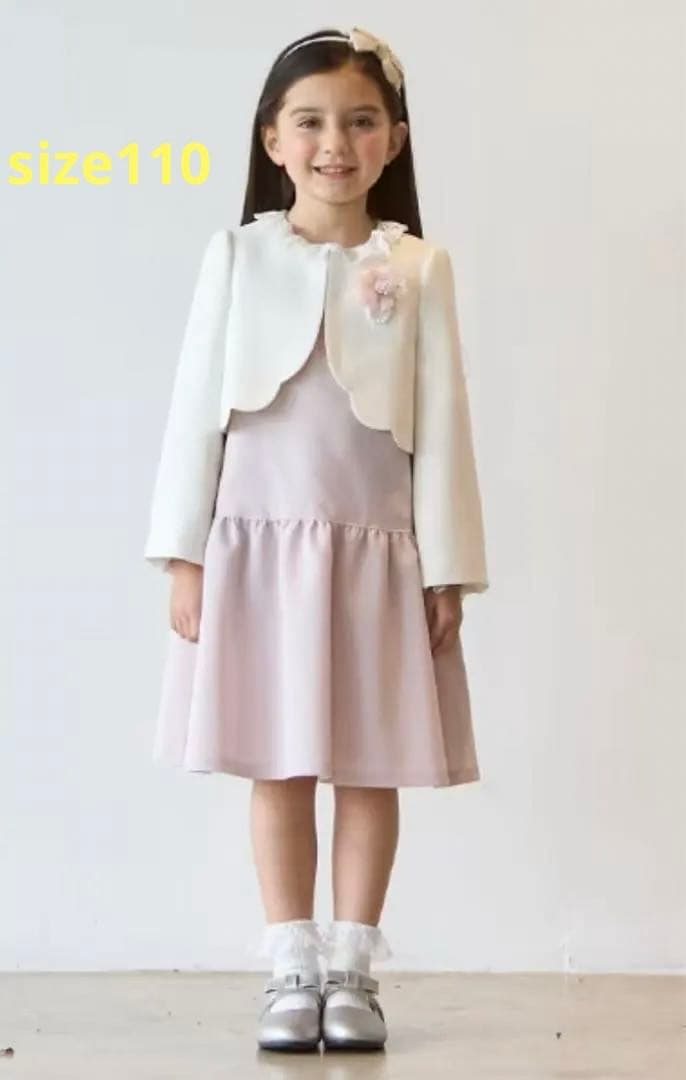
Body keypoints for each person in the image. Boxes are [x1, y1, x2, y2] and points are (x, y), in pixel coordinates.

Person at [144, 24, 489, 1053]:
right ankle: (290, 963)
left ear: (394, 140)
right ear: (272, 138)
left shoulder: (416, 267)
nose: (334, 143)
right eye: (310, 122)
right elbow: (194, 411)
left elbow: (444, 425)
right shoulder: (236, 256)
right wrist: (183, 554)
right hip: (257, 551)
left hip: (376, 552)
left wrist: (447, 569)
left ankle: (352, 969)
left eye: (359, 122)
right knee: (280, 763)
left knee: (369, 764)